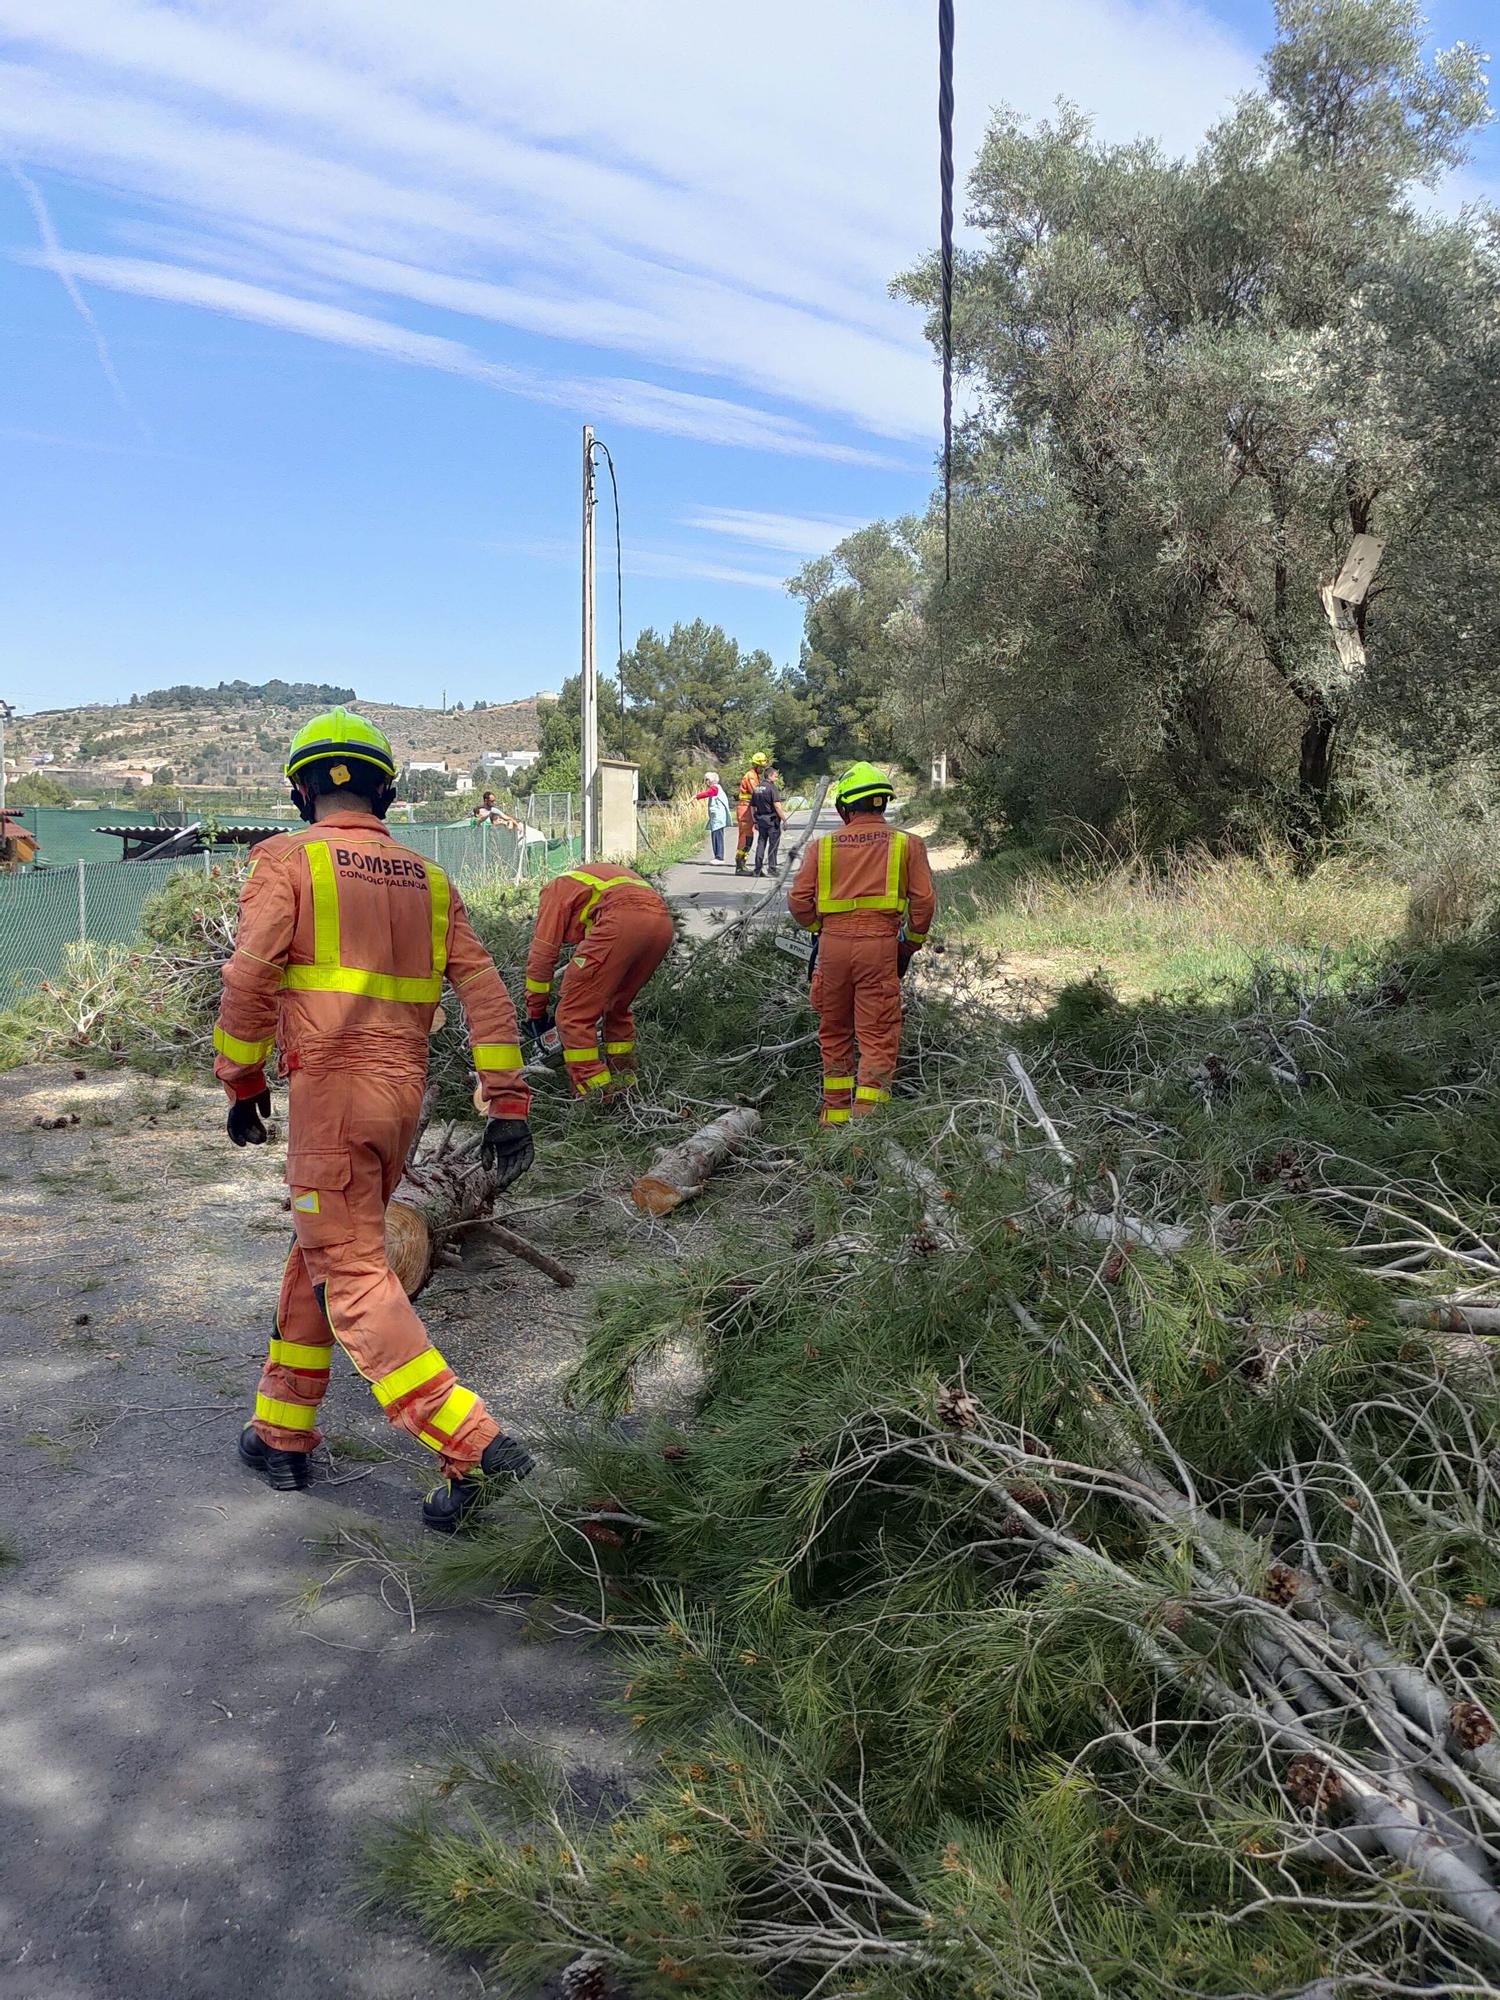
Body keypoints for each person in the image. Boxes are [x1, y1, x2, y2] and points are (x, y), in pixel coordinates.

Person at [215, 708, 537, 1533]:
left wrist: (241, 1081)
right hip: (401, 1098)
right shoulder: (428, 880)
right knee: (322, 1249)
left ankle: (475, 1448)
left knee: (352, 1270)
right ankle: (281, 1433)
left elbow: (249, 983)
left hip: (331, 1093)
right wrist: (506, 1103)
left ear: (301, 787)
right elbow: (489, 994)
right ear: (384, 787)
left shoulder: (287, 862)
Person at [788, 761, 936, 1127]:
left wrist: (820, 929)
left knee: (834, 1030)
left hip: (833, 948)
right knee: (878, 1034)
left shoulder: (821, 848)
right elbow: (924, 903)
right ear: (882, 804)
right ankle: (868, 1128)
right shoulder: (908, 845)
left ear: (844, 807)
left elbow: (798, 901)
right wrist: (910, 944)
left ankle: (834, 1118)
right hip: (879, 947)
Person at [524, 862, 675, 1097]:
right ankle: (625, 1079)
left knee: (573, 1015)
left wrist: (536, 1013)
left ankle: (595, 1094)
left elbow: (542, 956)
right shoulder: (589, 880)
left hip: (620, 922)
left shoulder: (554, 891)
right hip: (662, 924)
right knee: (616, 1005)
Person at [734, 750, 770, 875]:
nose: (763, 769)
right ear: (756, 765)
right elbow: (756, 792)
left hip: (749, 808)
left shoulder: (755, 775)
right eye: (762, 767)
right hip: (745, 809)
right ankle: (739, 866)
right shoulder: (751, 776)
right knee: (745, 837)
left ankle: (743, 863)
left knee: (749, 837)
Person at [750, 766, 787, 876]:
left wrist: (755, 821)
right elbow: (777, 805)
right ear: (770, 776)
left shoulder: (757, 788)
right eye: (775, 776)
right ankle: (772, 868)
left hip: (760, 819)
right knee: (773, 844)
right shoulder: (771, 788)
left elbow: (752, 807)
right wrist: (784, 820)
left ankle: (757, 869)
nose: (776, 779)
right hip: (772, 820)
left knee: (761, 843)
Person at [694, 769, 732, 863]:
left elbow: (709, 793)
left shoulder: (715, 788)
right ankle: (717, 856)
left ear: (710, 780)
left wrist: (697, 796)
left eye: (706, 780)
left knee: (717, 836)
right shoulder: (717, 788)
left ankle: (719, 857)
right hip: (716, 817)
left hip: (718, 817)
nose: (706, 782)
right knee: (715, 835)